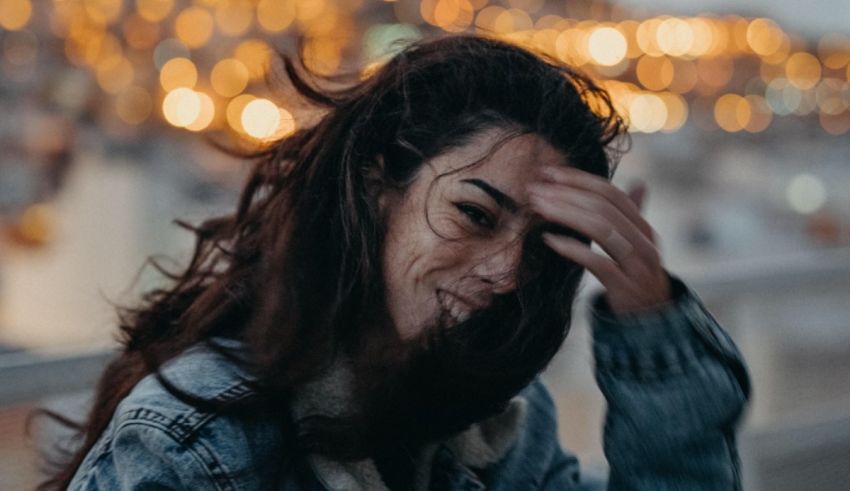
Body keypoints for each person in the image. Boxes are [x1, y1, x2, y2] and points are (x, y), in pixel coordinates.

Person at [43, 34, 750, 490]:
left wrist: (651, 327)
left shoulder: (495, 423)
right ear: (378, 185)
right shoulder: (200, 443)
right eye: (475, 215)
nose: (508, 274)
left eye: (539, 246)